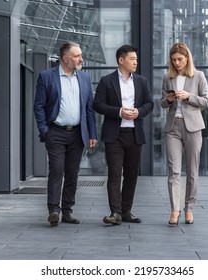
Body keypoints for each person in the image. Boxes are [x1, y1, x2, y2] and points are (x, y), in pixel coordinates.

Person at [34, 41, 98, 227]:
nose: (81, 59)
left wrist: (92, 134)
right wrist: (45, 130)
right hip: (55, 131)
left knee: (72, 172)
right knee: (56, 170)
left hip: (78, 133)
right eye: (77, 56)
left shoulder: (84, 78)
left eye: (80, 55)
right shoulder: (46, 77)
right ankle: (54, 210)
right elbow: (39, 106)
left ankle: (68, 210)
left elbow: (89, 109)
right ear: (65, 58)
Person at [94, 44, 154, 225]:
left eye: (136, 59)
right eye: (132, 59)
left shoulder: (141, 81)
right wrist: (119, 111)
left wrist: (139, 112)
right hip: (115, 135)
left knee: (131, 175)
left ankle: (126, 211)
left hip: (135, 134)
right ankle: (115, 213)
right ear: (121, 60)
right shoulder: (106, 81)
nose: (136, 62)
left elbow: (149, 104)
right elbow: (97, 104)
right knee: (114, 174)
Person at [160, 43, 208, 225]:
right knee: (173, 171)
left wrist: (188, 96)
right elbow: (162, 103)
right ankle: (175, 210)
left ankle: (189, 208)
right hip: (173, 127)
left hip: (193, 127)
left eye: (180, 59)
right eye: (174, 60)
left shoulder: (198, 76)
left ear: (187, 58)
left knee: (192, 171)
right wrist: (169, 99)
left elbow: (206, 101)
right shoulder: (167, 77)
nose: (177, 63)